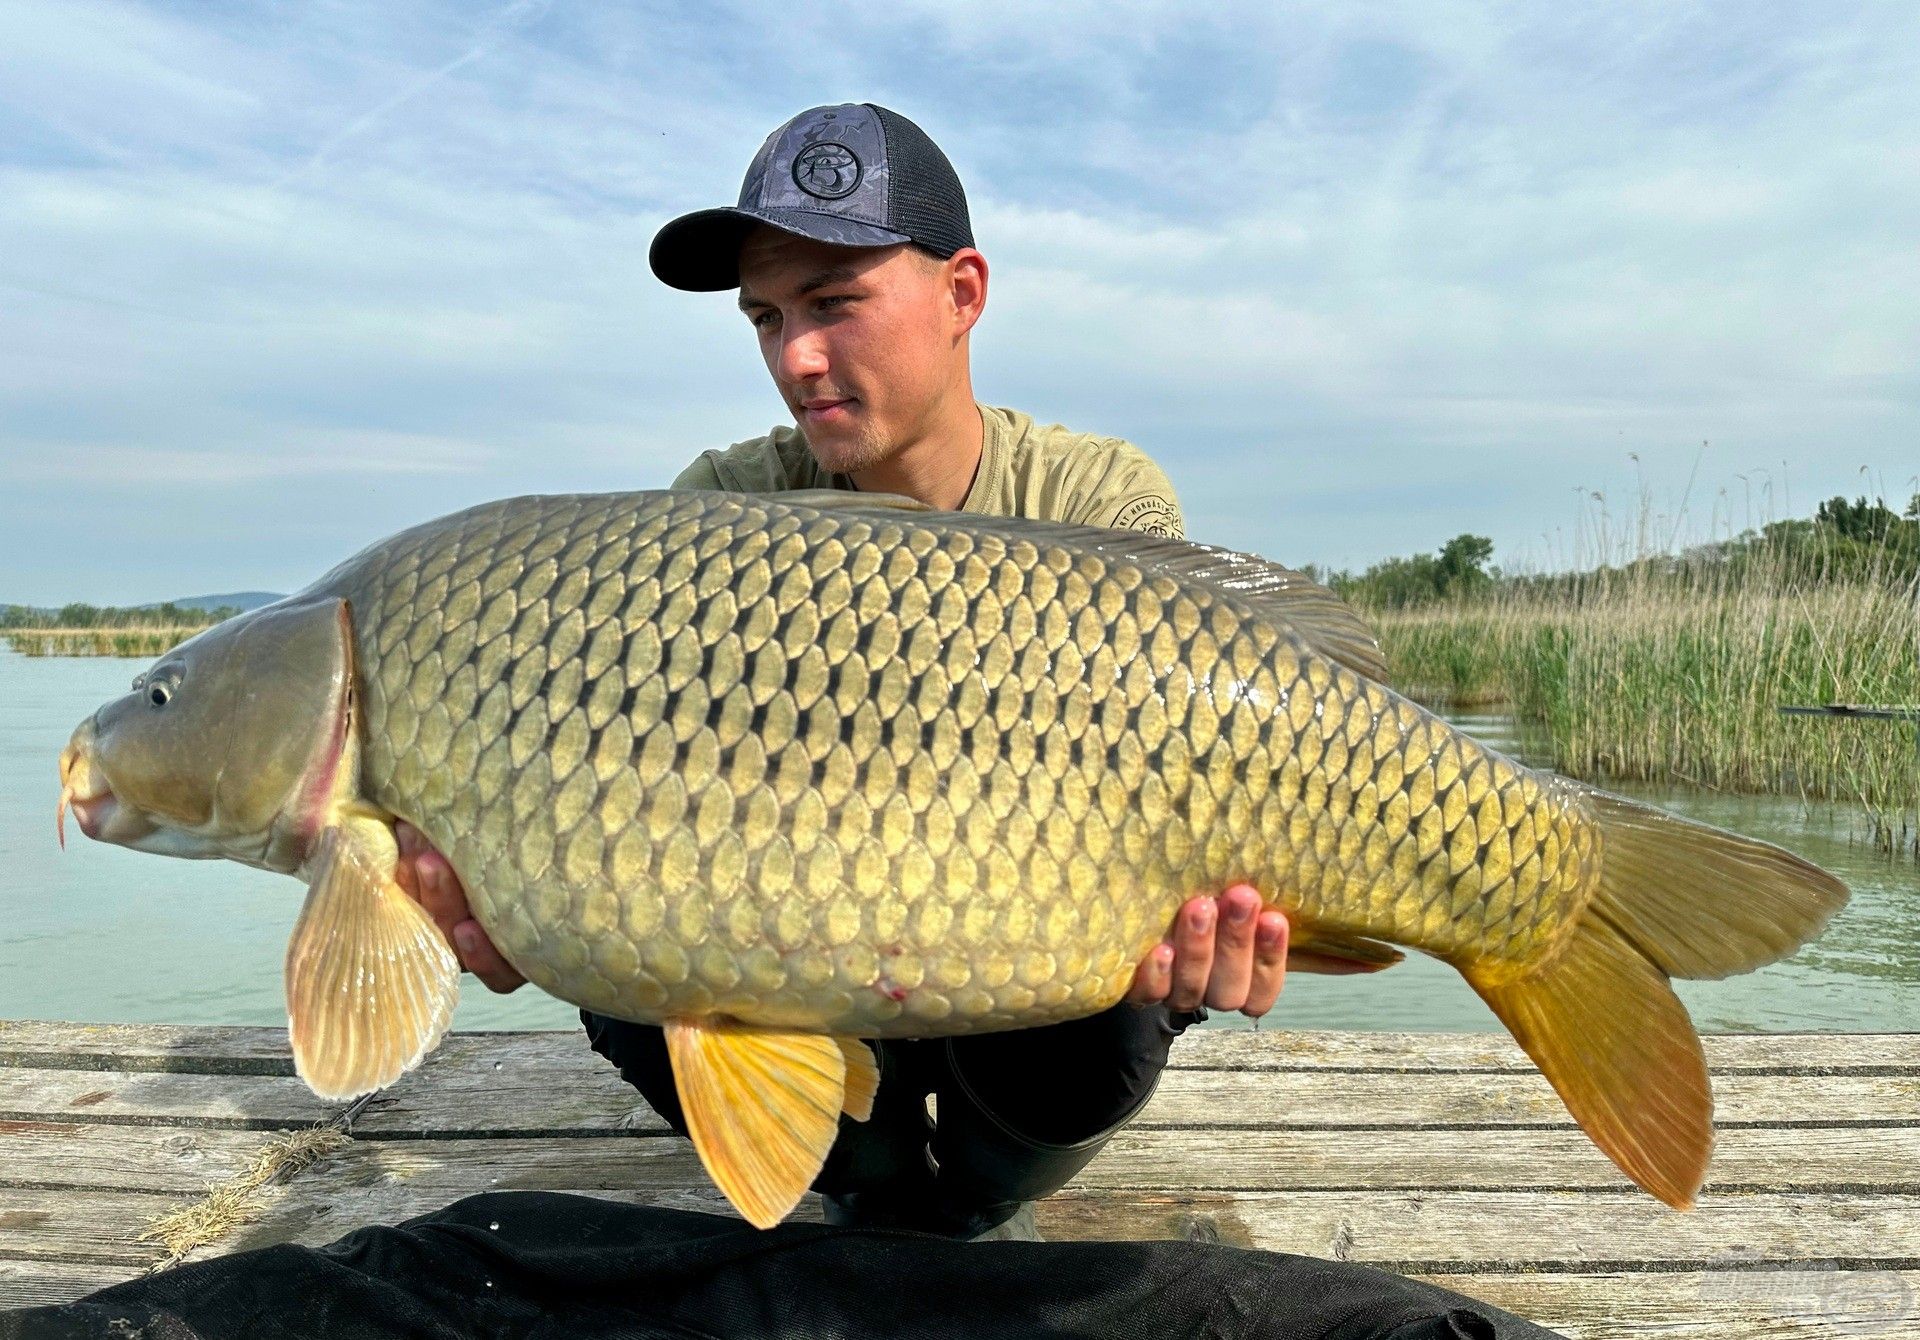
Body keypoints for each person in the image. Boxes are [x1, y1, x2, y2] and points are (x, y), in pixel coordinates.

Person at [393, 103, 1292, 1242]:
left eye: (832, 303)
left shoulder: (1095, 501)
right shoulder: (716, 513)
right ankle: (861, 1176)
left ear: (963, 293)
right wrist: (537, 894)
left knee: (1123, 998)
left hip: (1023, 979)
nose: (795, 358)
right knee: (624, 972)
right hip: (801, 961)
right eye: (765, 317)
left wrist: (1229, 930)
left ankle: (977, 1194)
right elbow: (649, 804)